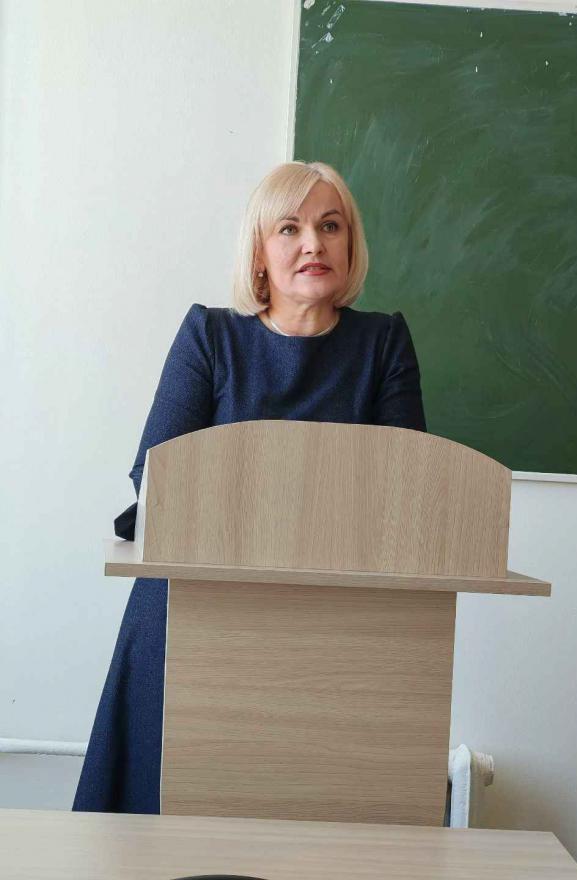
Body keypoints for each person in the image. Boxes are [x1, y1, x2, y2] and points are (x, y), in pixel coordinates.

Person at [72, 160, 426, 813]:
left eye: (330, 226)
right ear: (260, 252)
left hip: (331, 622)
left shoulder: (383, 343)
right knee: (163, 823)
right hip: (194, 608)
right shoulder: (210, 335)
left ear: (350, 245)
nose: (313, 243)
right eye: (289, 228)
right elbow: (159, 475)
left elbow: (404, 490)